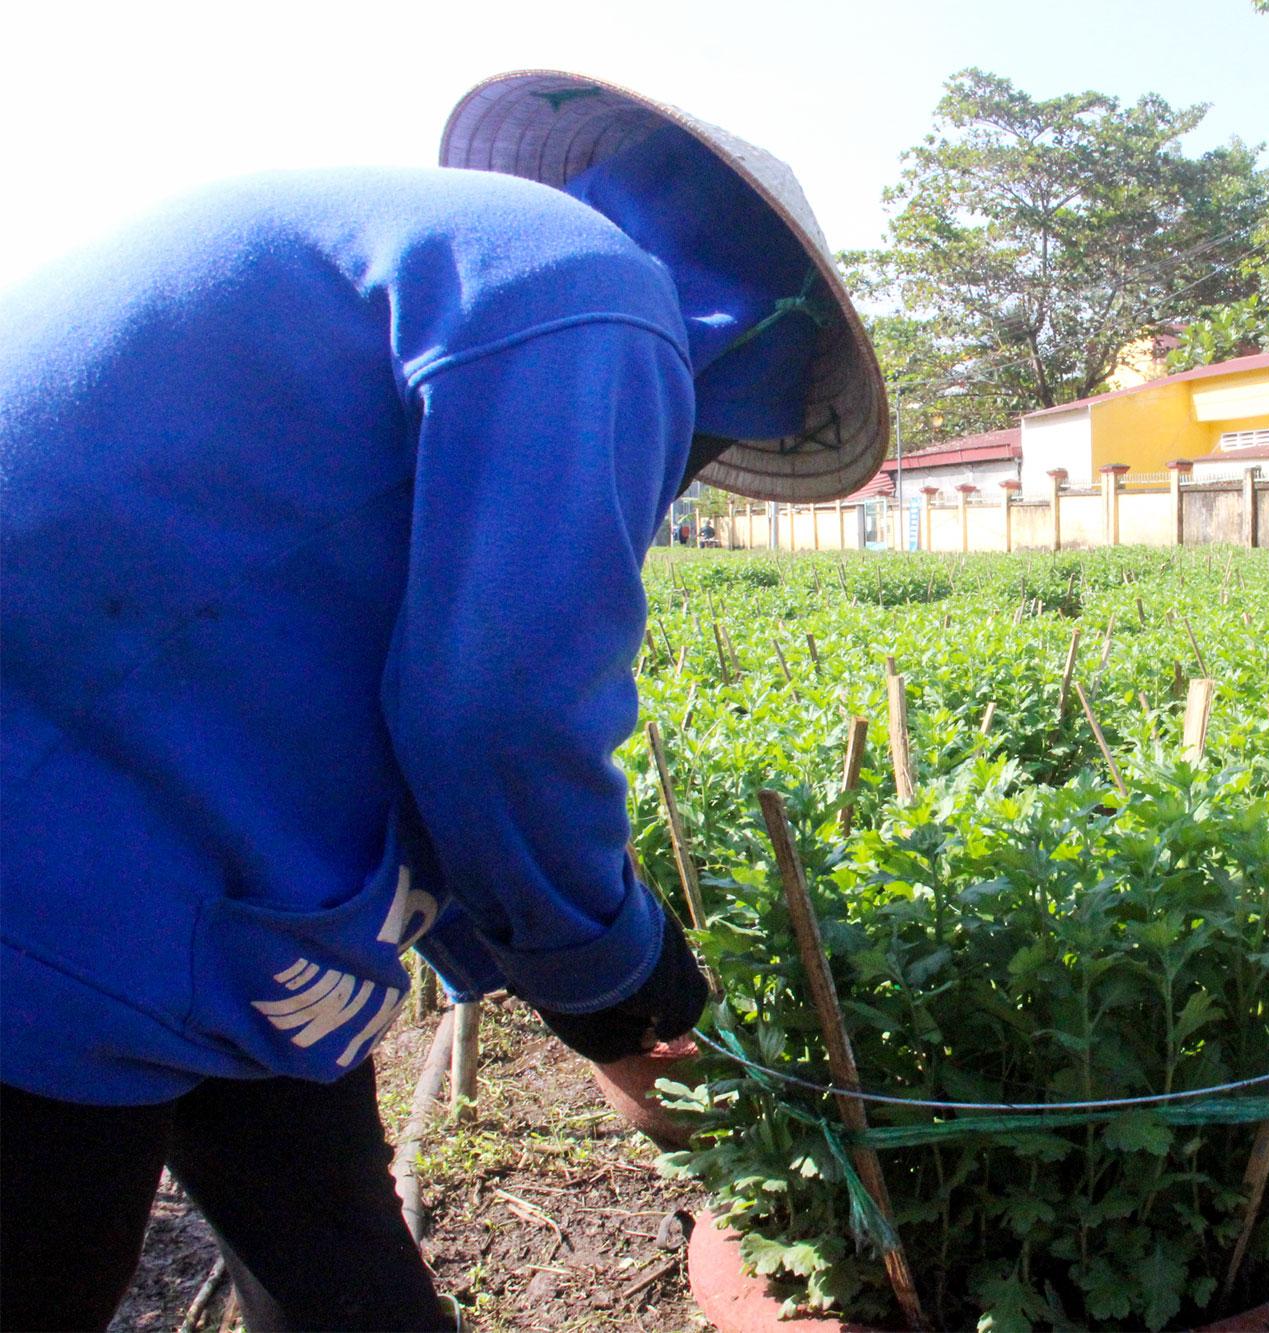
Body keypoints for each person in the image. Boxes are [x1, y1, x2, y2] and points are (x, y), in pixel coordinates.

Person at [0, 71, 887, 1331]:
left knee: (343, 1271)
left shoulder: (467, 254)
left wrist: (550, 980)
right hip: (59, 888)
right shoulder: (594, 295)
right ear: (757, 339)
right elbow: (501, 712)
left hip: (192, 874)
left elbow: (392, 670)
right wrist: (624, 995)